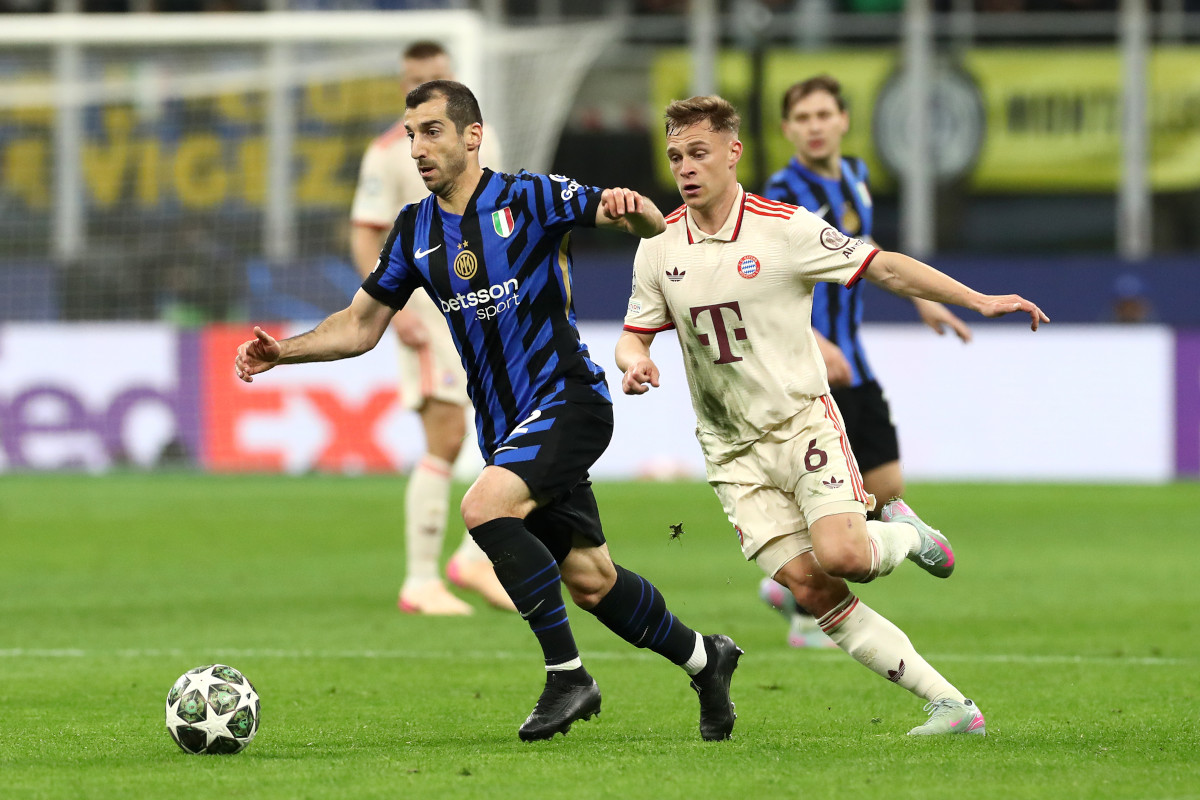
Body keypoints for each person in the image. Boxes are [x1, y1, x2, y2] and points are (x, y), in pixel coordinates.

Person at [236, 80, 741, 742]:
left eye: (432, 131)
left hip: (567, 399)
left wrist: (637, 209)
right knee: (591, 581)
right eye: (411, 133)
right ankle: (707, 659)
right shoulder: (415, 230)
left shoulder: (530, 197)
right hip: (505, 426)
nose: (417, 147)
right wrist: (286, 352)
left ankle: (568, 677)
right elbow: (360, 327)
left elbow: (646, 223)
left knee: (482, 508)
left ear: (472, 136)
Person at [616, 95, 1048, 736]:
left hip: (800, 423)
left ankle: (907, 535)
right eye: (676, 155)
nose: (686, 167)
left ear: (733, 153)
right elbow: (635, 332)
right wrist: (633, 362)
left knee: (842, 555)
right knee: (811, 588)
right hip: (730, 450)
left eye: (699, 152)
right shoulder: (658, 249)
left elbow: (888, 269)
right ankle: (952, 706)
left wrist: (978, 300)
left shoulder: (784, 228)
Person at [757, 74, 972, 648]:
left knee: (882, 492)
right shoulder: (781, 192)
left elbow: (867, 254)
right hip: (811, 367)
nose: (815, 126)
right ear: (788, 130)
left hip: (855, 361)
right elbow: (766, 280)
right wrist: (814, 341)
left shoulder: (855, 177)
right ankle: (807, 607)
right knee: (848, 498)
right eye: (803, 119)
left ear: (843, 120)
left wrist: (925, 303)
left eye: (824, 115)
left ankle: (790, 589)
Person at [350, 41, 512, 616]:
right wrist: (390, 309)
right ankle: (422, 578)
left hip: (477, 304)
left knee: (510, 428)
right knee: (444, 435)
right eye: (415, 79)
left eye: (436, 76)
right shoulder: (388, 153)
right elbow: (365, 233)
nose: (424, 84)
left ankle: (473, 557)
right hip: (424, 310)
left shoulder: (476, 140)